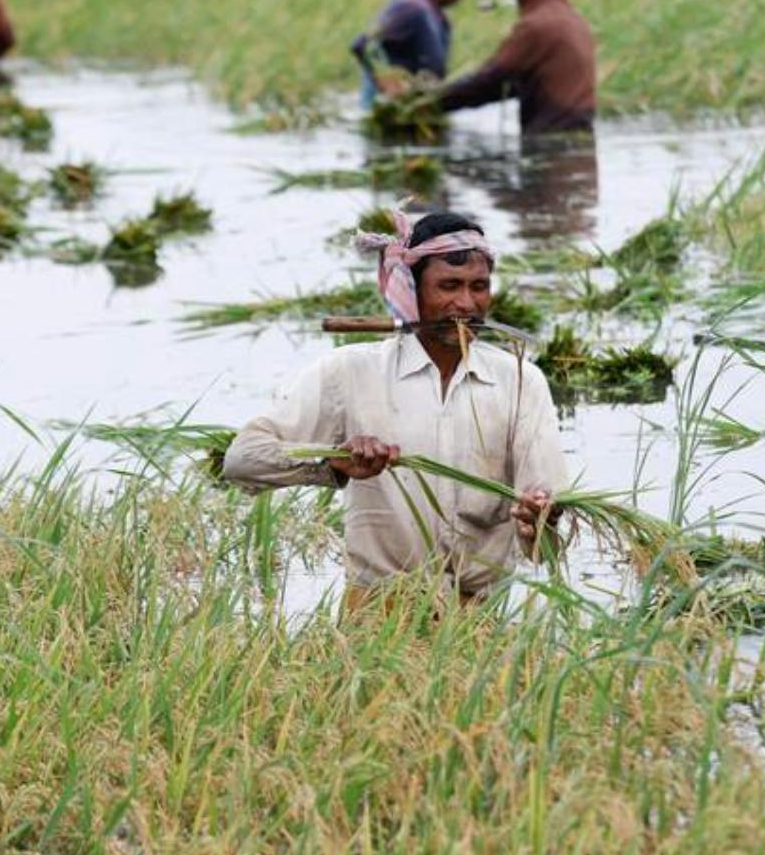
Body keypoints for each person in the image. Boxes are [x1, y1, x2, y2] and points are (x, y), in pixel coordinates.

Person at [223, 210, 567, 602]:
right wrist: (332, 463)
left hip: (479, 618)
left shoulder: (520, 380)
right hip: (378, 613)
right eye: (449, 286)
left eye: (479, 287)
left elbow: (546, 543)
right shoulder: (352, 372)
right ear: (410, 291)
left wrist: (538, 520)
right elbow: (241, 460)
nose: (466, 304)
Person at [436, 0, 596, 135]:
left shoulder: (537, 26)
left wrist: (427, 103)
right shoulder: (574, 19)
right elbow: (506, 85)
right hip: (578, 144)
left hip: (550, 147)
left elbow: (490, 79)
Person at [349, 0, 474, 101]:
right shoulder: (411, 9)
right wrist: (386, 81)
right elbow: (363, 43)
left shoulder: (439, 18)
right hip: (387, 114)